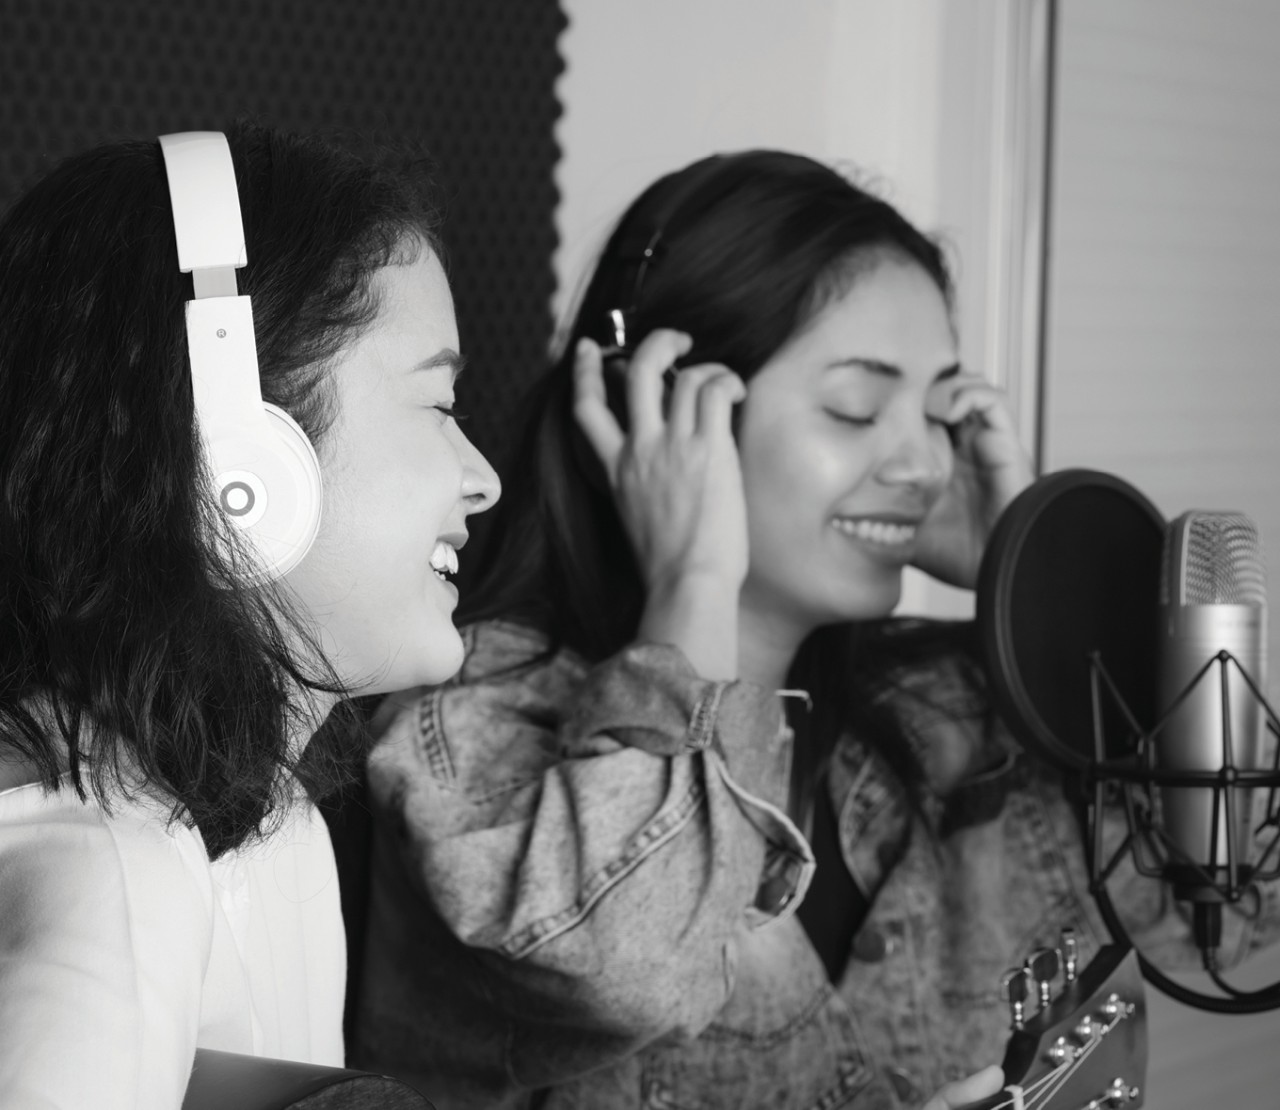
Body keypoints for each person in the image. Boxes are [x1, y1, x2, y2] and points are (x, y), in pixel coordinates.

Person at [353, 151, 1277, 1109]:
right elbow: (629, 966)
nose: (922, 461)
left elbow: (1221, 925)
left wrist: (1040, 595)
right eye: (858, 406)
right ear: (660, 403)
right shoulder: (468, 730)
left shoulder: (958, 712)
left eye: (936, 412)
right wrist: (698, 577)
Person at [0, 121, 499, 1110]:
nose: (482, 478)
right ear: (241, 467)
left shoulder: (278, 827)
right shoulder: (103, 870)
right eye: (437, 406)